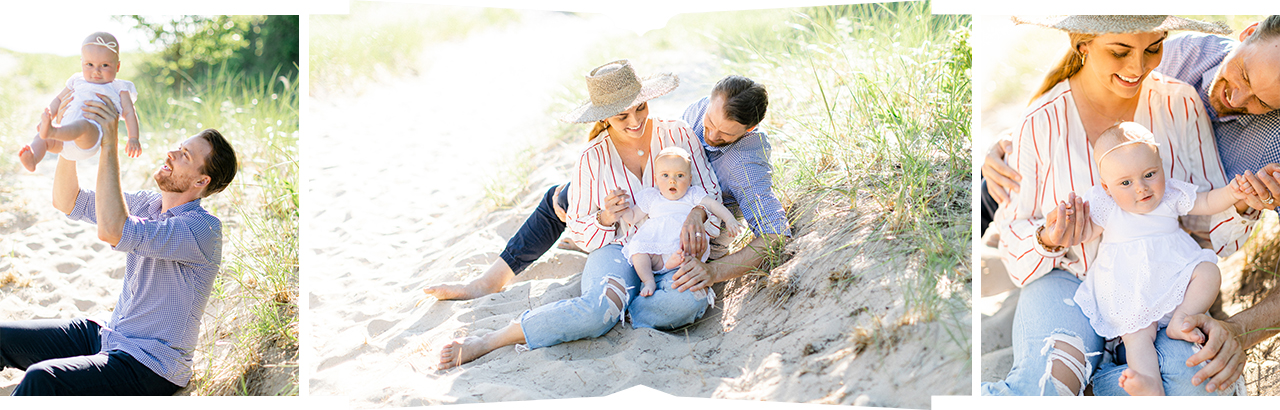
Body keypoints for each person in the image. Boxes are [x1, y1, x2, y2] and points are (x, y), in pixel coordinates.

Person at [982, 15, 1280, 393]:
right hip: (1068, 278)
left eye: (1154, 48)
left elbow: (1207, 219)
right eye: (1120, 51)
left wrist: (1241, 203)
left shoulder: (1180, 103)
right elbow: (1013, 241)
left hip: (1162, 282)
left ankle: (1101, 386)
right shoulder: (1041, 121)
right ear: (1082, 43)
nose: (1138, 67)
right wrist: (1049, 237)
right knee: (1047, 383)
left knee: (1196, 382)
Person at [438, 60, 730, 369]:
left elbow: (709, 191)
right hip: (618, 249)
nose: (635, 121)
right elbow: (579, 230)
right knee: (595, 310)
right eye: (622, 115)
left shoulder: (678, 133)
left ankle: (621, 308)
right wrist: (605, 216)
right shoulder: (592, 158)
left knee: (690, 300)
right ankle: (492, 339)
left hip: (674, 248)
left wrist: (697, 214)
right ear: (605, 117)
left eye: (640, 107)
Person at [424, 74, 788, 302]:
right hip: (657, 196)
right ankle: (491, 280)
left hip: (686, 225)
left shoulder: (745, 165)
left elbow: (775, 235)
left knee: (573, 202)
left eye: (724, 135)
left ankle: (578, 233)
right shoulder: (698, 112)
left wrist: (714, 270)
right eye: (709, 122)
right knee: (564, 196)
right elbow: (664, 147)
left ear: (749, 132)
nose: (710, 134)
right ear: (709, 102)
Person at [0, 94, 237, 395]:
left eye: (185, 156)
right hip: (110, 335)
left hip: (150, 364)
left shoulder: (202, 229)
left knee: (41, 378)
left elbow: (114, 230)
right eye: (179, 147)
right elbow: (67, 200)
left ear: (201, 181)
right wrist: (69, 145)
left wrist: (109, 142)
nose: (171, 153)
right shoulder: (149, 204)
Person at [1070, 122, 1254, 395]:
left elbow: (1204, 203)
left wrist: (1232, 193)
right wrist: (1067, 225)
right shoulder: (1106, 205)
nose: (1141, 188)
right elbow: (1081, 233)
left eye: (1149, 174)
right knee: (1138, 337)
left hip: (1174, 277)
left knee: (1208, 270)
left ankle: (1184, 318)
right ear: (1107, 188)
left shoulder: (1169, 195)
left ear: (1161, 167)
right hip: (1132, 289)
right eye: (1125, 183)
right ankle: (1149, 384)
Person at [620, 146, 742, 297]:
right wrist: (622, 207)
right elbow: (631, 217)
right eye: (665, 175)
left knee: (692, 248)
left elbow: (713, 205)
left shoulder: (692, 194)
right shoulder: (652, 196)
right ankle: (648, 280)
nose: (672, 180)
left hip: (683, 244)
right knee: (638, 250)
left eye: (679, 175)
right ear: (656, 179)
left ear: (690, 179)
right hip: (656, 245)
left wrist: (729, 219)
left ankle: (677, 268)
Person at [17, 32, 142, 172]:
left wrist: (133, 137)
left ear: (117, 67)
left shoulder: (119, 87)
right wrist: (49, 115)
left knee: (83, 125)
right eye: (89, 64)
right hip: (62, 142)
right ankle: (33, 158)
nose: (96, 71)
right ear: (81, 62)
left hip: (89, 139)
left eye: (105, 65)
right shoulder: (77, 80)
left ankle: (52, 131)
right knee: (41, 139)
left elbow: (130, 112)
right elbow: (59, 99)